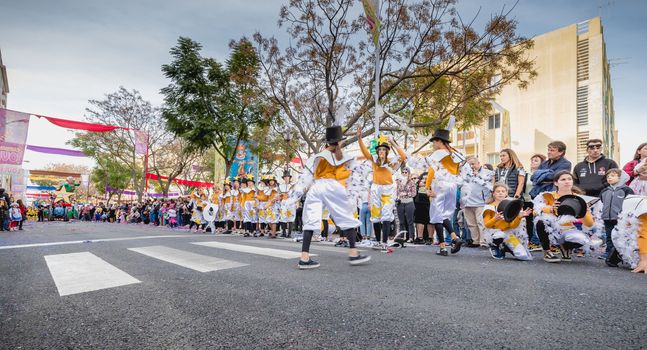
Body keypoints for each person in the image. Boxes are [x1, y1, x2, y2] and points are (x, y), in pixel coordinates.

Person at [292, 125, 371, 269]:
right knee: (346, 216)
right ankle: (353, 253)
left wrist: (295, 196)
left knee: (310, 220)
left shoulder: (317, 156)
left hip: (316, 187)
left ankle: (304, 258)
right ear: (339, 142)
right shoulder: (343, 156)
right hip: (331, 186)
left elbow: (306, 177)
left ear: (327, 142)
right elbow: (354, 172)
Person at [357, 130, 407, 249]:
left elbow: (403, 156)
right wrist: (359, 138)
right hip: (376, 188)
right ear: (377, 151)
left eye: (384, 150)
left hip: (388, 190)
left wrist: (393, 142)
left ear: (387, 152)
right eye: (380, 149)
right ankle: (378, 241)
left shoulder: (391, 162)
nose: (381, 152)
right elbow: (364, 151)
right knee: (375, 216)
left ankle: (384, 242)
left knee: (386, 214)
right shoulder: (374, 160)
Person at [533, 170, 596, 263]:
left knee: (582, 240)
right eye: (563, 179)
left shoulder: (580, 199)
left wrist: (584, 211)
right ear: (556, 183)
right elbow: (535, 212)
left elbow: (590, 224)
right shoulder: (546, 195)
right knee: (541, 221)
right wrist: (550, 209)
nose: (567, 181)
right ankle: (547, 251)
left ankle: (565, 247)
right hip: (551, 229)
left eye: (569, 179)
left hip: (568, 230)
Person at [421, 126, 465, 256]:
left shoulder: (438, 154)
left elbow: (432, 170)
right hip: (452, 185)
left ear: (439, 141)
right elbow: (458, 171)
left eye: (434, 141)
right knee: (444, 215)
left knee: (436, 217)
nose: (433, 144)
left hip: (440, 185)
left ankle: (443, 247)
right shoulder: (455, 154)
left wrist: (428, 187)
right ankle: (454, 238)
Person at [482, 183, 533, 260]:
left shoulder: (511, 206)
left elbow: (512, 226)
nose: (500, 193)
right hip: (494, 233)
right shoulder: (489, 207)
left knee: (523, 256)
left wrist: (519, 217)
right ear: (493, 193)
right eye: (498, 191)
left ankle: (506, 247)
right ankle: (495, 246)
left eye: (503, 191)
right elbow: (487, 225)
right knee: (499, 235)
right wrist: (495, 218)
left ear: (506, 193)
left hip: (508, 233)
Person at [599, 168, 634, 265]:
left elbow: (630, 204)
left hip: (620, 219)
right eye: (608, 176)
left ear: (620, 177)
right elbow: (602, 202)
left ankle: (620, 255)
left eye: (613, 176)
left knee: (620, 237)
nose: (609, 178)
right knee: (609, 236)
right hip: (607, 218)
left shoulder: (626, 190)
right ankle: (609, 253)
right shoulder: (605, 191)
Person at [608, 195, 647, 274]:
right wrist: (644, 261)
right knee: (636, 262)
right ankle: (619, 253)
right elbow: (643, 234)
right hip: (628, 238)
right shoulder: (644, 207)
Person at [460, 156, 493, 247]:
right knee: (471, 224)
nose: (471, 166)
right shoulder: (465, 173)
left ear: (478, 163)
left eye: (473, 164)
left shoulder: (488, 173)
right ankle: (476, 241)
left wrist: (478, 175)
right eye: (469, 164)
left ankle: (483, 242)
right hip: (467, 202)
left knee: (481, 223)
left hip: (481, 202)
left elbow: (491, 185)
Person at [396, 167, 417, 242]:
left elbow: (414, 193)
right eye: (403, 172)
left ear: (408, 173)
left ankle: (411, 237)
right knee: (401, 221)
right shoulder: (398, 182)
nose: (404, 174)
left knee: (409, 221)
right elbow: (396, 192)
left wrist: (406, 193)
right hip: (400, 202)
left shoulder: (411, 182)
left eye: (406, 172)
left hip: (409, 202)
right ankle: (401, 237)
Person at [413, 173, 434, 244]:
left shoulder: (433, 179)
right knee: (419, 219)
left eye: (426, 178)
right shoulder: (419, 180)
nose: (425, 179)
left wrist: (426, 183)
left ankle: (430, 238)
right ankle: (419, 237)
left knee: (430, 220)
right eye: (423, 178)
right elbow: (418, 184)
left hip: (429, 200)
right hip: (419, 200)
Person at [279, 171, 296, 238]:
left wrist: (296, 202)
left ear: (289, 178)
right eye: (285, 177)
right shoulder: (281, 186)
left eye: (287, 177)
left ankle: (289, 233)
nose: (286, 178)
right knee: (283, 217)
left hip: (291, 202)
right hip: (284, 202)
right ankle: (283, 232)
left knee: (291, 217)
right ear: (284, 178)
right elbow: (279, 194)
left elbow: (296, 195)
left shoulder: (293, 185)